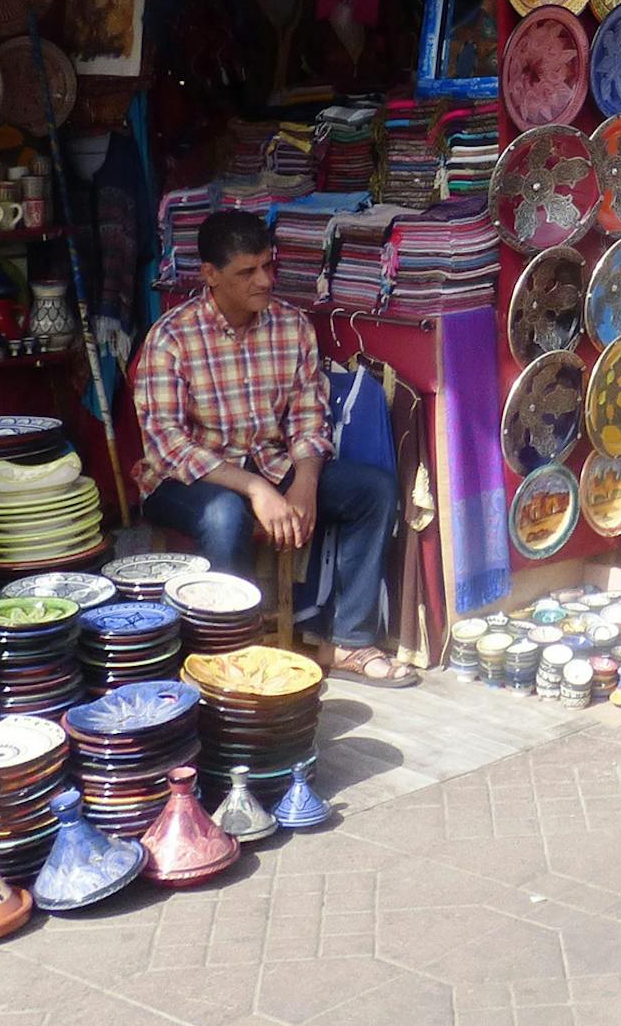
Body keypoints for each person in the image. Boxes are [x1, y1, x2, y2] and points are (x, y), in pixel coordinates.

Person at [132, 210, 414, 687]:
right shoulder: (171, 337)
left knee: (374, 489)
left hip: (271, 463)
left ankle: (348, 641)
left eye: (268, 265)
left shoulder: (291, 326)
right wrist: (256, 488)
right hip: (186, 480)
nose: (264, 280)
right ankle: (229, 654)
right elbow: (167, 445)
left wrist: (305, 482)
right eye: (247, 271)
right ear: (210, 276)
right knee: (225, 514)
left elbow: (309, 419)